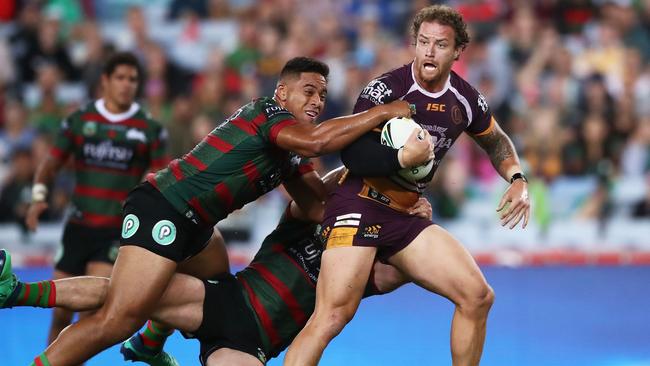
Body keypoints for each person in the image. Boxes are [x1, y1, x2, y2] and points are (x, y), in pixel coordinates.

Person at [23, 57, 429, 366]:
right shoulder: (268, 114)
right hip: (164, 208)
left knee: (213, 281)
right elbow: (318, 143)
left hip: (195, 225)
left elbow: (317, 204)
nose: (318, 100)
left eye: (323, 94)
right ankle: (20, 293)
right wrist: (379, 113)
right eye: (309, 90)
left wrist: (385, 186)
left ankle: (151, 341)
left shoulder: (292, 151)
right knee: (119, 317)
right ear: (282, 93)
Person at [285, 6, 531, 366]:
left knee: (477, 296)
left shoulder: (465, 98)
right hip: (358, 203)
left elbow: (496, 141)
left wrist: (517, 178)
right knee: (331, 317)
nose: (429, 51)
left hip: (405, 215)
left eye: (440, 45)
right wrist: (403, 160)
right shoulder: (385, 89)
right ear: (414, 44)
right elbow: (353, 154)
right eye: (423, 42)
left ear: (458, 50)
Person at [0, 169, 433, 366]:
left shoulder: (367, 267)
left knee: (131, 297)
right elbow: (342, 182)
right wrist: (378, 175)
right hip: (226, 299)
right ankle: (16, 292)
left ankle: (148, 342)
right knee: (125, 294)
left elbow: (403, 266)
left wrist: (411, 218)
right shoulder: (308, 215)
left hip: (250, 347)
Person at [24, 51, 169, 346]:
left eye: (133, 79)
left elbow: (161, 177)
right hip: (78, 226)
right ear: (105, 80)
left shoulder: (149, 129)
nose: (127, 84)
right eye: (120, 78)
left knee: (89, 309)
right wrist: (39, 197)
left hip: (116, 231)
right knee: (61, 313)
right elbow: (51, 163)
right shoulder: (80, 120)